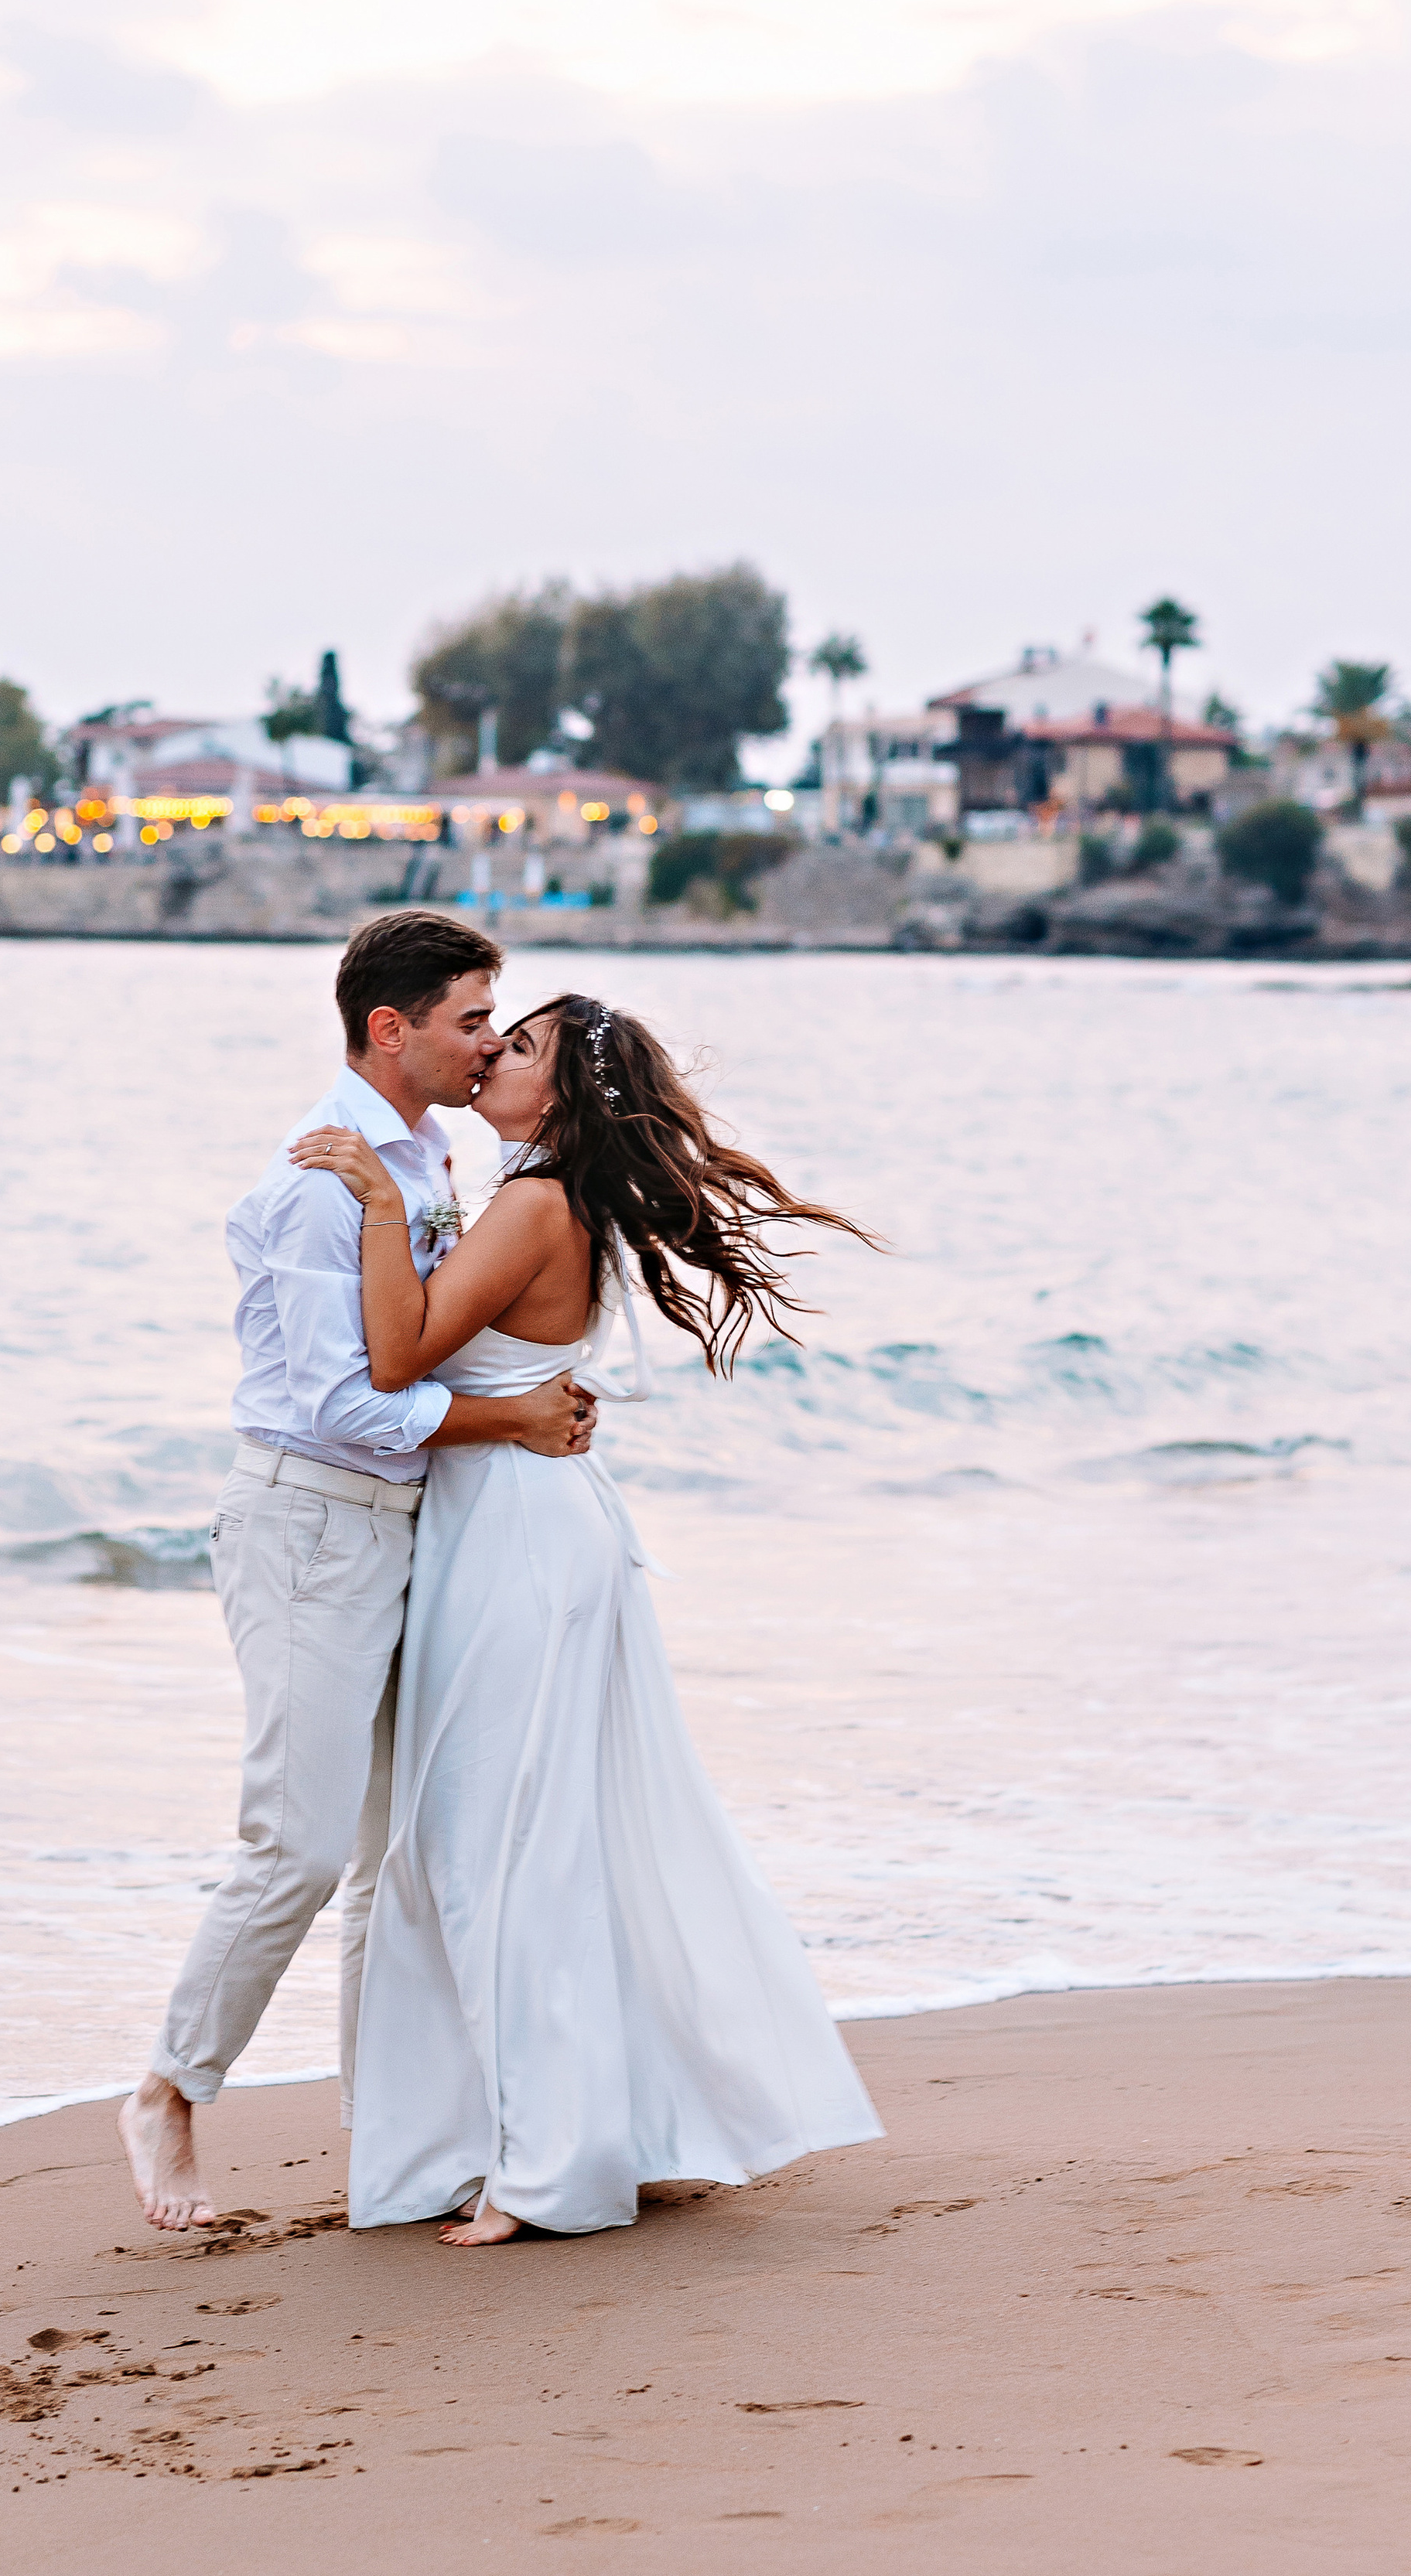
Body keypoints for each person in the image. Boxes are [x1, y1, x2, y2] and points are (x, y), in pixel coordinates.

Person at [289, 992, 883, 2244]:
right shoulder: (544, 1196)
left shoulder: (535, 1202)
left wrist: (387, 1209)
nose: (492, 1057)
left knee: (495, 1851)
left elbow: (394, 1362)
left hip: (514, 1536)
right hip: (517, 1523)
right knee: (513, 1842)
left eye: (517, 1048)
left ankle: (540, 2167)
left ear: (553, 1095)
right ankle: (546, 2134)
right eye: (492, 1037)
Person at [119, 915, 599, 2232]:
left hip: (412, 1527)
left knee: (394, 1852)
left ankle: (386, 2141)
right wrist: (508, 1416)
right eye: (467, 1021)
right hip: (309, 1525)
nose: (490, 1042)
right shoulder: (318, 1182)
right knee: (301, 1843)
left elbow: (433, 1343)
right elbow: (339, 1399)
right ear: (390, 1029)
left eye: (499, 1022)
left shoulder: (429, 1157)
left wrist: (527, 1391)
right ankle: (170, 2089)